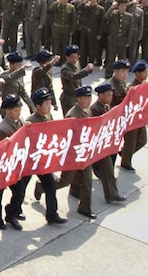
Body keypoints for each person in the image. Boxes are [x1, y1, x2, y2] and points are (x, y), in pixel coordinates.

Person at [28, 88, 68, 225]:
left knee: (51, 187)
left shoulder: (49, 116)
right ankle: (12, 212)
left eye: (50, 103)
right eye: (46, 104)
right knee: (19, 190)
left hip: (44, 161)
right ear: (37, 106)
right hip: (32, 162)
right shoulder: (31, 122)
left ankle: (52, 214)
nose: (49, 106)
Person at [56, 86, 96, 219]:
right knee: (64, 181)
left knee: (87, 180)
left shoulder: (87, 111)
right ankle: (41, 188)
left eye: (89, 97)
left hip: (84, 153)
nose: (88, 100)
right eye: (85, 97)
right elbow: (66, 137)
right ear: (78, 99)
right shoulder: (72, 115)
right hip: (73, 155)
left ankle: (85, 207)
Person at [0, 95, 28, 230]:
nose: (18, 113)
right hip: (5, 166)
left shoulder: (19, 120)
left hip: (17, 163)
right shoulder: (3, 128)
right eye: (15, 110)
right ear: (8, 111)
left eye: (19, 110)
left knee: (20, 191)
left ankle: (12, 212)